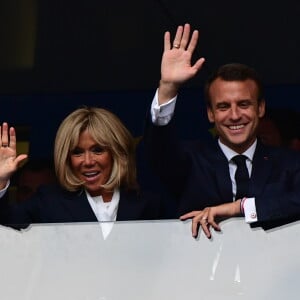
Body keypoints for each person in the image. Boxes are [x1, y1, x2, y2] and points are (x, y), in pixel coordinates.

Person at [144, 23, 300, 239]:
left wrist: (238, 208)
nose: (235, 115)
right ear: (210, 113)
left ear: (260, 108)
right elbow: (158, 153)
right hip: (203, 271)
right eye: (223, 106)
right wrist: (168, 88)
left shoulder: (290, 163)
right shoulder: (191, 162)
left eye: (244, 104)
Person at [0, 107, 165, 230]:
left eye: (97, 150)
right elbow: (6, 223)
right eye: (77, 152)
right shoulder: (49, 201)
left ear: (117, 152)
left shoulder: (147, 204)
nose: (87, 161)